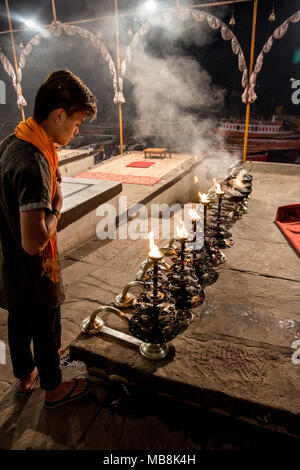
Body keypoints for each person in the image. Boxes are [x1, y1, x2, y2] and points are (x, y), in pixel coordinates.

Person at [0, 70, 97, 409]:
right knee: (46, 325)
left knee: (19, 320)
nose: (77, 129)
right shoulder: (32, 162)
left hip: (10, 263)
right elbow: (34, 241)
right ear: (58, 115)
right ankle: (53, 388)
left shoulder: (14, 141)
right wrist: (56, 206)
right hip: (34, 269)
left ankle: (25, 377)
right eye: (76, 121)